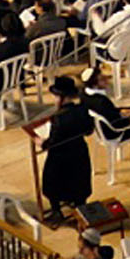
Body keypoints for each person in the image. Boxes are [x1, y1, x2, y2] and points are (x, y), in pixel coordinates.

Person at [38, 75, 95, 225]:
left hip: (61, 156)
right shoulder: (82, 109)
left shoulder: (59, 118)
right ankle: (80, 208)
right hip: (79, 151)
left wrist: (41, 142)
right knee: (79, 182)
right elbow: (89, 130)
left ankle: (57, 211)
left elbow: (54, 141)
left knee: (51, 183)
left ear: (61, 97)